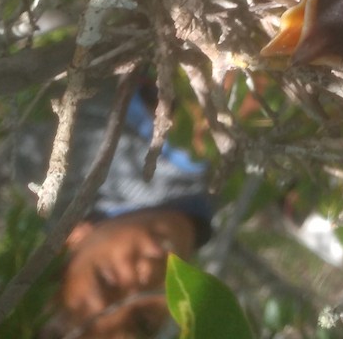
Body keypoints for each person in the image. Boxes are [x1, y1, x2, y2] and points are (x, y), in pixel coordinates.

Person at [15, 77, 214, 338]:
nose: (144, 279)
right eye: (142, 321)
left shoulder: (109, 154)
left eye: (108, 281)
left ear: (74, 237)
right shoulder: (197, 210)